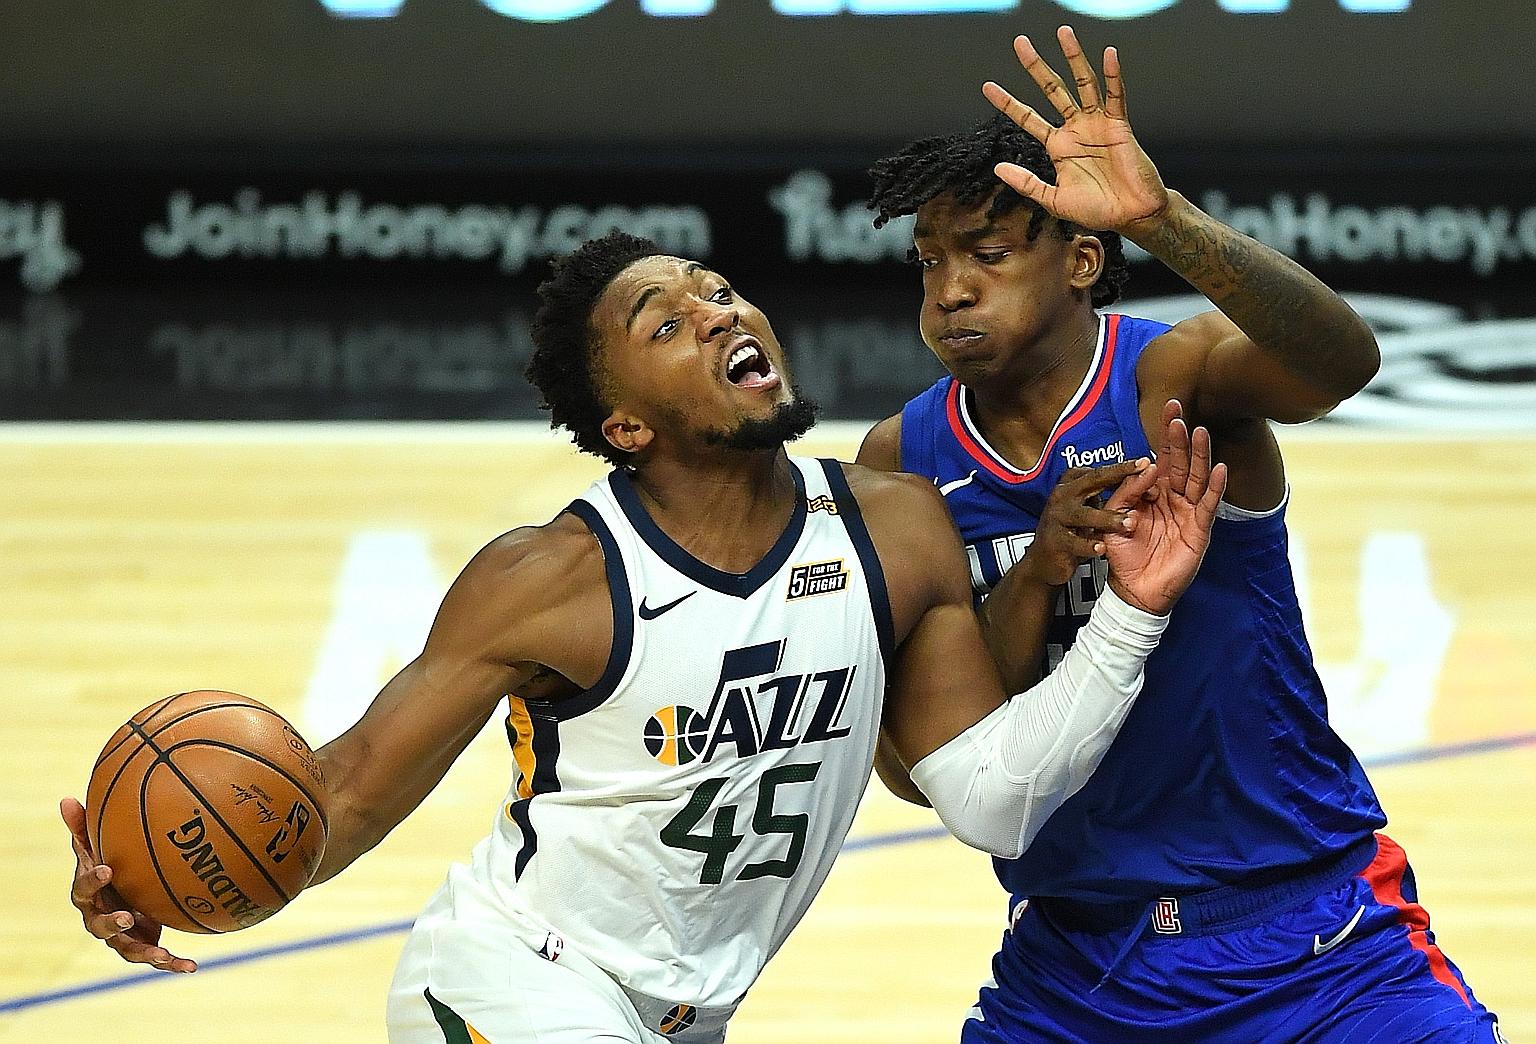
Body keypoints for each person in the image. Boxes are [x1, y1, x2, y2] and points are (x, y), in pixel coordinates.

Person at [63, 232, 1226, 1043]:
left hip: (684, 1018)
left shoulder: (896, 529)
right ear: (624, 422)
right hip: (518, 984)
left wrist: (1119, 605)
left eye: (719, 292)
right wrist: (175, 883)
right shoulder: (550, 579)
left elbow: (978, 795)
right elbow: (350, 790)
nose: (720, 312)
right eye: (667, 321)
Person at [860, 25, 1503, 1043]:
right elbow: (918, 768)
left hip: (1313, 939)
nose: (951, 289)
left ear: (1080, 259)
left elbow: (1343, 361)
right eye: (930, 261)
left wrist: (1163, 221)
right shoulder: (903, 458)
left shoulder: (1170, 378)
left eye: (986, 254)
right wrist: (1034, 576)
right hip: (1075, 965)